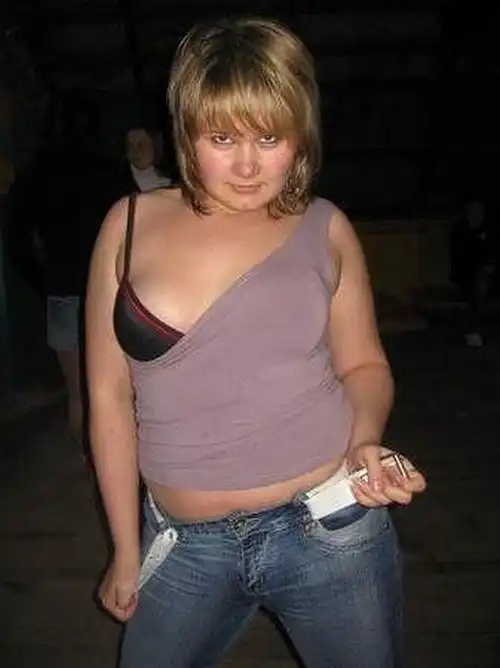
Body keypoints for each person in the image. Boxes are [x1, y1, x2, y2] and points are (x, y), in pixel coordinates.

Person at [86, 16, 426, 668]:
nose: (247, 166)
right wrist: (126, 548)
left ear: (301, 134)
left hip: (329, 529)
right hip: (184, 546)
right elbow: (108, 398)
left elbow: (363, 364)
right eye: (222, 138)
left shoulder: (326, 226)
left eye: (269, 137)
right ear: (186, 131)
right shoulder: (127, 223)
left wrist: (363, 442)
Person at [7, 99, 121, 447]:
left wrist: (42, 281)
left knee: (77, 393)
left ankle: (90, 463)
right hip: (106, 291)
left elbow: (16, 241)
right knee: (116, 390)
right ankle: (117, 463)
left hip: (61, 290)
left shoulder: (35, 175)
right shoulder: (108, 170)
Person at [449, 195, 499, 347]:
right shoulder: (460, 232)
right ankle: (474, 331)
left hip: (489, 275)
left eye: (480, 209)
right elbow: (462, 260)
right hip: (465, 276)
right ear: (468, 211)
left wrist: (491, 265)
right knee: (479, 285)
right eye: (474, 209)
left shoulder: (489, 229)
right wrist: (482, 266)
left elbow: (492, 252)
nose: (478, 213)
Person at [119, 124, 173, 194]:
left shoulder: (172, 178)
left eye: (140, 145)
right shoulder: (120, 182)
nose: (135, 151)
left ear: (154, 146)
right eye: (130, 146)